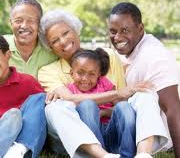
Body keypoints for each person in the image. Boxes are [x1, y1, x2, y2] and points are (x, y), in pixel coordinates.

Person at [37, 9, 138, 158]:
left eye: (66, 33)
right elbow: (71, 101)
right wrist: (114, 95)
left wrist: (104, 111)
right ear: (50, 48)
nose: (63, 41)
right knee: (87, 105)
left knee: (128, 104)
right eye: (55, 41)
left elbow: (122, 105)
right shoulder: (48, 71)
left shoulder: (108, 56)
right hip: (79, 133)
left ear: (76, 31)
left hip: (111, 128)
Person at [107, 2, 180, 158]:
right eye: (113, 31)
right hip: (126, 129)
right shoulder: (124, 53)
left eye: (125, 30)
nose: (117, 37)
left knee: (144, 95)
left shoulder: (155, 56)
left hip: (153, 138)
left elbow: (173, 108)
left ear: (140, 29)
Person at [3, 0, 58, 78]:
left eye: (30, 21)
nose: (24, 26)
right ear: (11, 22)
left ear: (39, 24)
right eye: (18, 20)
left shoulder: (52, 50)